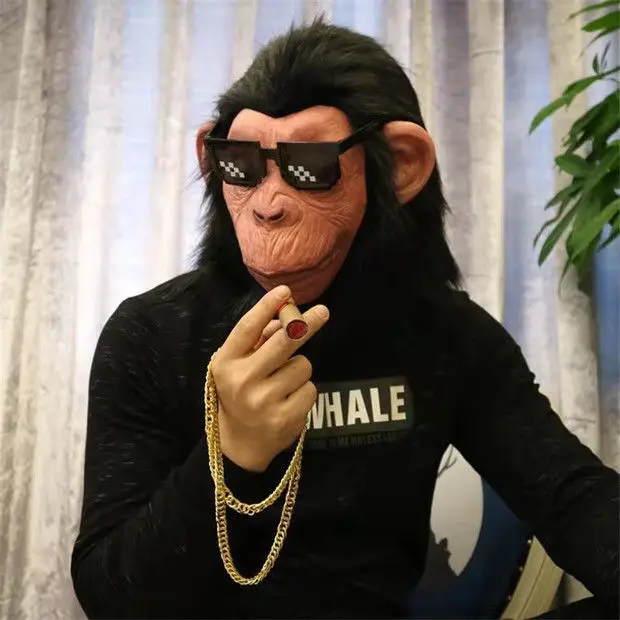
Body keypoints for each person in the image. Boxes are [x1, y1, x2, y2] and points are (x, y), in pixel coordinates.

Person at [71, 20, 619, 619]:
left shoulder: (443, 333)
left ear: (401, 167)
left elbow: (572, 498)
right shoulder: (153, 332)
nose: (268, 204)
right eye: (242, 164)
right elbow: (110, 596)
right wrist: (231, 456)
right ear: (211, 161)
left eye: (309, 165)